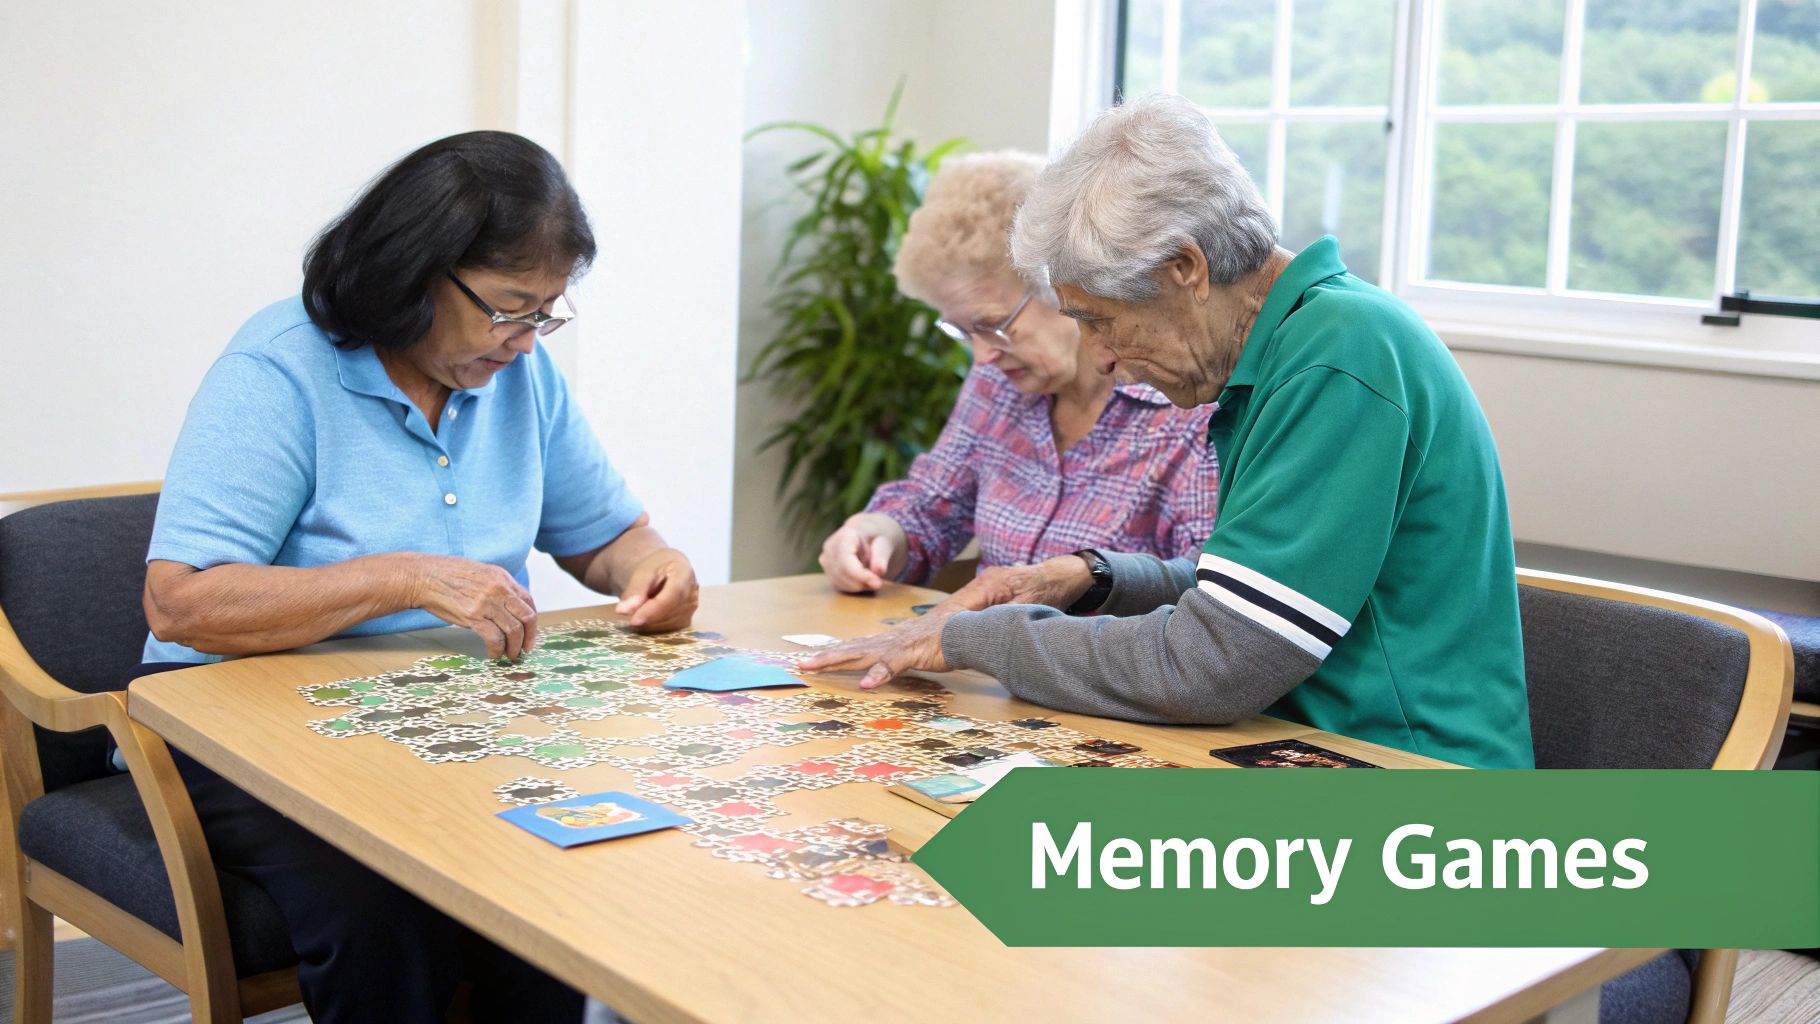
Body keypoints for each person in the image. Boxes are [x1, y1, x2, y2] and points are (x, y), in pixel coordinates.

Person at [139, 130, 698, 1022]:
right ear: (414, 272)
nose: (525, 340)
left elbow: (607, 535)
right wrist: (400, 577)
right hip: (242, 721)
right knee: (383, 911)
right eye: (510, 308)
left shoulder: (522, 377)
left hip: (450, 712)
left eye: (547, 312)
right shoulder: (279, 367)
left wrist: (655, 566)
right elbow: (182, 601)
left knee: (559, 875)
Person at [804, 95, 1534, 773]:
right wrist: (1092, 577)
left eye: (1099, 318)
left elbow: (1215, 662)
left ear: (1186, 267)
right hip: (1284, 749)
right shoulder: (1286, 349)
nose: (1100, 357)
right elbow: (1253, 600)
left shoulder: (1339, 357)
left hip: (1408, 784)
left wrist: (973, 639)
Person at [818, 151, 1220, 593]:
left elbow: (1202, 596)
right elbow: (932, 506)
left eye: (993, 326)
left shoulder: (1186, 411)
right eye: (964, 332)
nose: (981, 357)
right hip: (982, 659)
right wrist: (878, 532)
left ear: (1066, 292)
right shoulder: (998, 384)